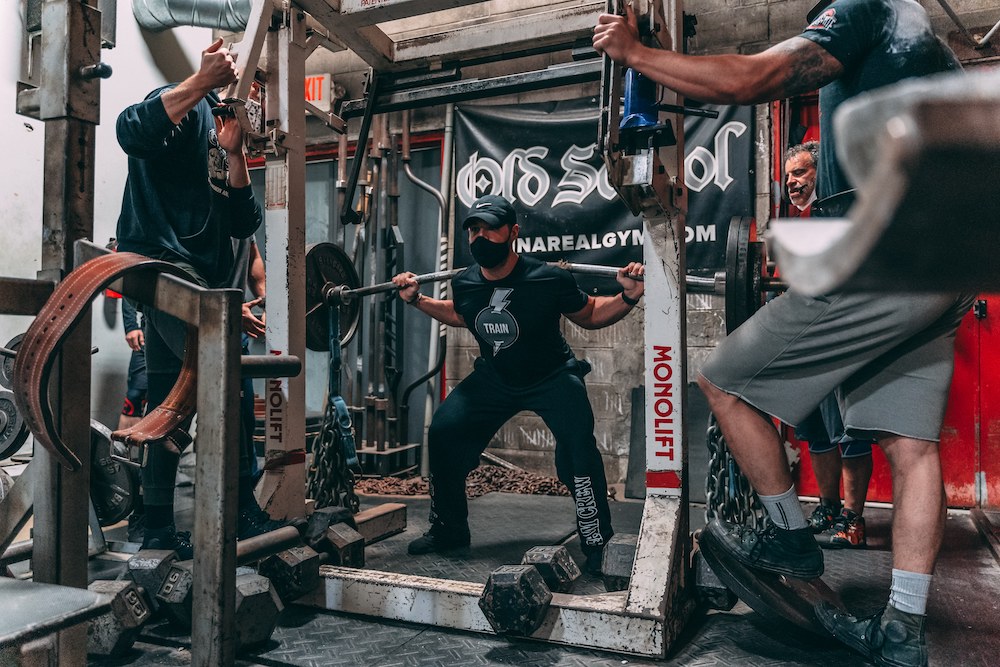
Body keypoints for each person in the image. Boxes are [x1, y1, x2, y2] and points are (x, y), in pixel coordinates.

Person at [595, 2, 971, 664]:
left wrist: (637, 56)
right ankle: (903, 630)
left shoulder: (866, 9)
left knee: (723, 382)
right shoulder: (923, 44)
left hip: (889, 249)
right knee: (912, 449)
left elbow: (752, 78)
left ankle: (791, 536)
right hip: (949, 260)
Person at [391, 194, 644, 574]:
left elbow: (590, 314)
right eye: (474, 230)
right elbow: (461, 315)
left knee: (579, 450)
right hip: (495, 377)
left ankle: (596, 540)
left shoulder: (548, 277)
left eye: (489, 229)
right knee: (444, 431)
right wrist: (417, 300)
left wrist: (627, 296)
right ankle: (449, 530)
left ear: (513, 233)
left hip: (552, 376)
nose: (479, 237)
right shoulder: (466, 283)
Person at [115, 38, 267, 558]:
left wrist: (235, 153)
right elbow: (130, 130)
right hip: (160, 267)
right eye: (256, 89)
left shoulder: (224, 135)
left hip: (199, 282)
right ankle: (239, 509)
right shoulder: (184, 106)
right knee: (229, 380)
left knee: (166, 399)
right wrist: (200, 82)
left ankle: (156, 522)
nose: (258, 101)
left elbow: (245, 222)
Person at [784, 142, 874, 549]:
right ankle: (829, 507)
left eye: (800, 173)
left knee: (849, 431)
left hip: (843, 338)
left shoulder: (844, 212)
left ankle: (854, 521)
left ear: (822, 173)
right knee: (816, 429)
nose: (791, 182)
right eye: (788, 176)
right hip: (810, 341)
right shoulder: (801, 222)